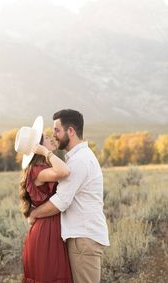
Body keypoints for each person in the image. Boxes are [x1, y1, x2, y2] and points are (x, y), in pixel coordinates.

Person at [29, 109, 110, 283]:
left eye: (57, 130)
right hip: (82, 236)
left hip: (83, 237)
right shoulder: (78, 158)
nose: (54, 135)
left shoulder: (79, 160)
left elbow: (61, 202)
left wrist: (34, 214)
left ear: (70, 131)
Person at [15, 116, 73, 283]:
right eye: (46, 137)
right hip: (46, 232)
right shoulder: (38, 170)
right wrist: (46, 153)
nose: (51, 138)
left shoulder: (41, 168)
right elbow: (64, 172)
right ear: (39, 146)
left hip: (48, 228)